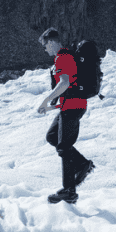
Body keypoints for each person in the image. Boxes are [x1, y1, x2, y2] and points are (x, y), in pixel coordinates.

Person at [36, 28, 94, 203]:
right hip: (69, 105)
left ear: (52, 42)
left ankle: (69, 190)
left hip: (73, 106)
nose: (45, 49)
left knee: (64, 146)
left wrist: (46, 100)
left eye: (46, 45)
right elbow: (69, 86)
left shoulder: (63, 57)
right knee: (52, 136)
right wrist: (52, 106)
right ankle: (83, 164)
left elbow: (65, 82)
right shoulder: (62, 58)